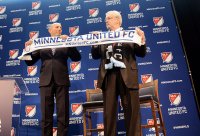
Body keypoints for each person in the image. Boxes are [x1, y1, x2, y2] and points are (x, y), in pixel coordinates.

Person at [91, 10, 146, 136]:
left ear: (118, 20)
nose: (106, 21)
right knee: (109, 113)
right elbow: (95, 56)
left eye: (109, 18)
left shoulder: (130, 35)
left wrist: (142, 40)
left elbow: (141, 53)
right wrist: (95, 44)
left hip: (127, 75)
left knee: (132, 111)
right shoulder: (102, 37)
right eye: (106, 18)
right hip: (108, 76)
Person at [24, 23, 81, 136]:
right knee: (46, 115)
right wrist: (27, 49)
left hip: (62, 81)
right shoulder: (42, 43)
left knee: (63, 114)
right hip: (46, 81)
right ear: (50, 30)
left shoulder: (65, 42)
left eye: (60, 27)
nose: (60, 28)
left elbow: (77, 57)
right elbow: (29, 61)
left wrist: (70, 42)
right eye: (57, 27)